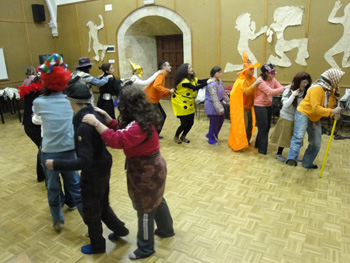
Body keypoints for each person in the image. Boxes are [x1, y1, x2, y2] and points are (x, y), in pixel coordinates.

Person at [82, 87, 174, 260]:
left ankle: (146, 249)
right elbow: (124, 130)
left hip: (146, 170)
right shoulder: (143, 118)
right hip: (152, 167)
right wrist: (107, 118)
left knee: (145, 209)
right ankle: (166, 229)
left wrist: (96, 123)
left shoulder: (138, 125)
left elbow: (117, 140)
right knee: (157, 199)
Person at [45, 82, 129, 254]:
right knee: (103, 203)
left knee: (91, 210)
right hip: (104, 164)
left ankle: (98, 246)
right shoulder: (95, 113)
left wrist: (56, 164)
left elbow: (85, 161)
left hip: (94, 171)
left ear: (71, 102)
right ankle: (120, 229)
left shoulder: (83, 124)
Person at [33, 54, 83, 233]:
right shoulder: (70, 102)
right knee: (76, 188)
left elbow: (36, 118)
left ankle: (57, 220)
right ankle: (90, 225)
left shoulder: (38, 102)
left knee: (52, 189)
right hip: (70, 151)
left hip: (50, 152)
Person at [286, 68, 343, 168]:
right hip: (304, 113)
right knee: (298, 136)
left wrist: (334, 115)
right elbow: (316, 108)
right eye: (338, 78)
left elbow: (330, 106)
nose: (338, 81)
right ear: (331, 78)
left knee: (316, 143)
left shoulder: (331, 91)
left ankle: (307, 163)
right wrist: (331, 111)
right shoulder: (316, 89)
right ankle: (291, 158)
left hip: (315, 117)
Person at [270, 72, 312, 162]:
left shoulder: (305, 91)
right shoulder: (289, 90)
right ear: (298, 81)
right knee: (284, 136)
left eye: (307, 82)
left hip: (298, 118)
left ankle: (293, 155)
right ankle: (279, 153)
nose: (305, 84)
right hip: (287, 117)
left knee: (297, 137)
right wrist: (293, 95)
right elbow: (285, 105)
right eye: (304, 82)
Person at [228, 51, 262, 151]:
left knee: (250, 127)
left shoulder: (253, 79)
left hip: (250, 108)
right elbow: (246, 92)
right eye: (251, 69)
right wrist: (255, 84)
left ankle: (246, 141)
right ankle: (239, 143)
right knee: (242, 127)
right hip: (242, 109)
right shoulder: (240, 81)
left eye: (253, 69)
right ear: (246, 70)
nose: (253, 71)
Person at [171, 63, 214, 144]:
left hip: (189, 103)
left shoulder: (192, 79)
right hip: (180, 103)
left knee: (191, 122)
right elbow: (195, 88)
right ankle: (176, 136)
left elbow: (200, 81)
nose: (191, 69)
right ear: (185, 70)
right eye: (189, 68)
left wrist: (212, 78)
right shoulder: (184, 81)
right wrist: (208, 82)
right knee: (184, 123)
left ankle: (183, 136)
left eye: (191, 67)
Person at [18, 74, 45, 182]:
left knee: (42, 148)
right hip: (32, 125)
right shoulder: (35, 92)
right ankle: (42, 175)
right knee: (43, 148)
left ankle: (41, 175)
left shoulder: (35, 90)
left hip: (33, 123)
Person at [254, 63, 285, 155]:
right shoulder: (260, 81)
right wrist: (283, 88)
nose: (274, 73)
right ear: (266, 73)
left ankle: (258, 144)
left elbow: (278, 86)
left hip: (268, 105)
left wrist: (281, 88)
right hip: (259, 106)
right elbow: (270, 92)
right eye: (272, 72)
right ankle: (262, 150)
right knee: (263, 128)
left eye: (274, 71)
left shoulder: (272, 80)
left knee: (266, 127)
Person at [145, 60, 174, 136]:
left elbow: (159, 90)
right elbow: (156, 86)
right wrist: (168, 90)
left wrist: (168, 92)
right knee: (159, 118)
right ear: (164, 67)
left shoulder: (162, 74)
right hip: (151, 100)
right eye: (168, 65)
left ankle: (154, 134)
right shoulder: (161, 74)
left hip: (153, 100)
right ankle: (153, 135)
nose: (170, 67)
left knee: (162, 116)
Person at [204, 66, 229, 145]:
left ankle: (213, 135)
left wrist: (228, 100)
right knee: (214, 122)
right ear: (214, 73)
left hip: (219, 103)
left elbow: (223, 92)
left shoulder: (219, 81)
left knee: (221, 120)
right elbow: (214, 97)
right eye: (219, 72)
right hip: (212, 105)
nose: (220, 74)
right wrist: (219, 109)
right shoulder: (211, 84)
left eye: (220, 72)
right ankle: (211, 138)